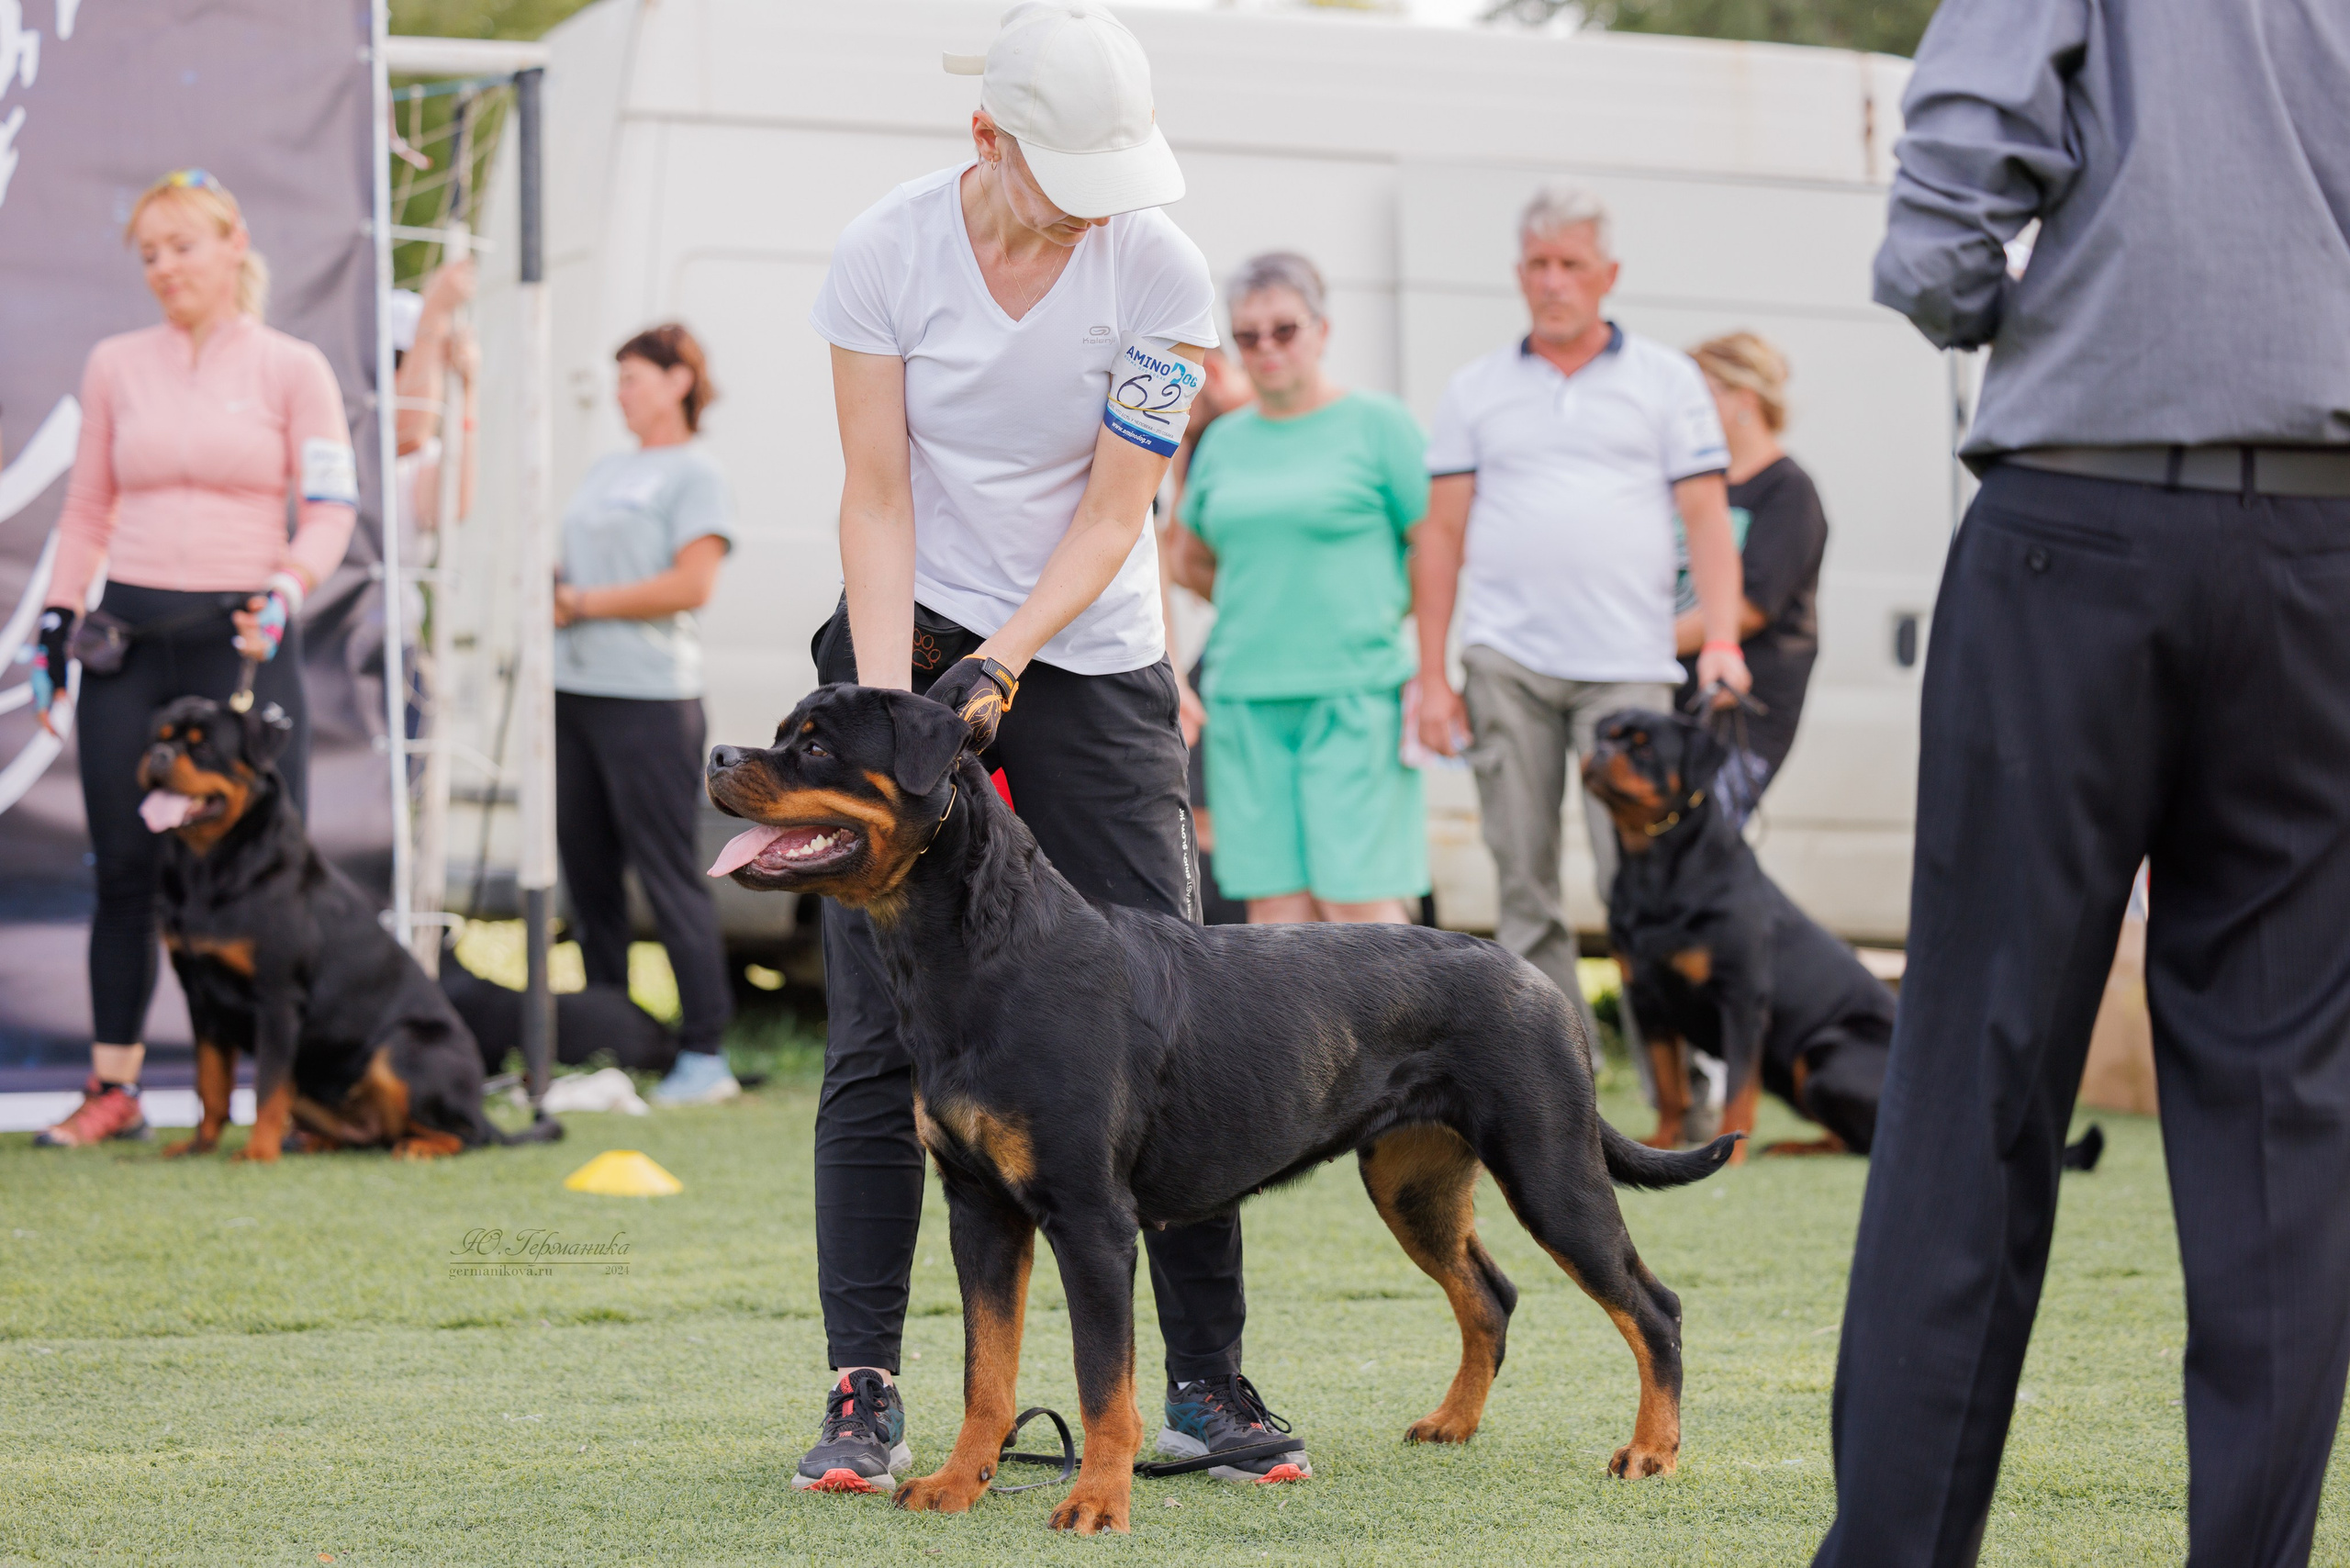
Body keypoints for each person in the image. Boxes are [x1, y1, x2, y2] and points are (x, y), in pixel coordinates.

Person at [1813, 1, 2350, 1562]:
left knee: (1975, 1070)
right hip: (2328, 553)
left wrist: (2018, 292)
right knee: (2286, 1104)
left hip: (2082, 528)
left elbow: (1949, 214)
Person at [796, 0, 1308, 1496]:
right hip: (909, 626)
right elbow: (876, 498)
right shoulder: (884, 251)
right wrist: (900, 732)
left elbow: (1113, 510)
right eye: (1063, 171)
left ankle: (1205, 1382)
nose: (1093, 204)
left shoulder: (1162, 262)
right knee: (879, 1026)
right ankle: (864, 1389)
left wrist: (1006, 660)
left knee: (1180, 998)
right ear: (987, 138)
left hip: (1086, 643)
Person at [30, 168, 356, 1147]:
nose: (165, 268)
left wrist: (290, 584)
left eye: (182, 246)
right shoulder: (115, 363)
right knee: (127, 867)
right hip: (128, 643)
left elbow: (332, 507)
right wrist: (56, 617)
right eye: (149, 255)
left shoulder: (294, 366)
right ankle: (114, 1088)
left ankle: (292, 1095)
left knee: (272, 878)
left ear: (233, 244)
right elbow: (88, 507)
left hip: (242, 641)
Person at [1412, 185, 1751, 1059]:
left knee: (1641, 876)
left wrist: (1719, 639)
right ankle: (1557, 1070)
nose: (1554, 281)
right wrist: (1436, 675)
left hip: (1628, 665)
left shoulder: (1667, 381)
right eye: (1539, 264)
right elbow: (1440, 535)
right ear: (1519, 274)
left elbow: (1708, 519)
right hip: (1507, 661)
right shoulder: (1476, 388)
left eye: (1571, 265)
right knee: (1523, 880)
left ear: (1608, 275)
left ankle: (1677, 1064)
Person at [1164, 252, 1430, 925]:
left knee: (1359, 907)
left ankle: (1403, 1038)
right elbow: (1188, 559)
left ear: (1322, 329)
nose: (1267, 348)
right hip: (1246, 695)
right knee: (1276, 917)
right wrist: (1270, 599)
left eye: (1285, 330)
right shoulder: (1222, 443)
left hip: (1357, 689)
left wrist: (1418, 654)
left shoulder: (1380, 425)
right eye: (1248, 336)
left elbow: (1434, 547)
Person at [550, 323, 737, 1105]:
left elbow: (692, 585)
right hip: (576, 693)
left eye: (633, 378)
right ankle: (610, 1038)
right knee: (587, 877)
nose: (620, 392)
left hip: (651, 702)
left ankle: (705, 1054)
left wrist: (584, 603)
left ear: (677, 382)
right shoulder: (606, 468)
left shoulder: (696, 475)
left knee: (666, 877)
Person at [1671, 331, 1827, 824]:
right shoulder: (1695, 483)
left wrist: (1643, 643)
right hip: (1676, 686)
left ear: (1744, 398)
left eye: (1700, 394)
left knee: (1708, 841)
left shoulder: (1789, 491)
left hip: (1744, 704)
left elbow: (1750, 607)